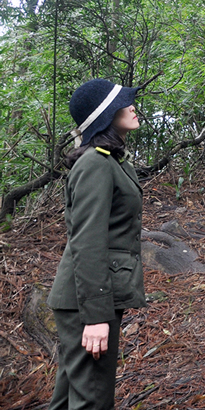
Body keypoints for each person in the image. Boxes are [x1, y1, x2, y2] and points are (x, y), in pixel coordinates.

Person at [48, 79, 146, 410]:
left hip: (87, 298)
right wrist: (95, 316)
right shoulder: (95, 164)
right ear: (104, 115)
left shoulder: (111, 160)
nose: (132, 106)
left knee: (69, 398)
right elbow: (87, 243)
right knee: (91, 400)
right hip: (85, 302)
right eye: (123, 103)